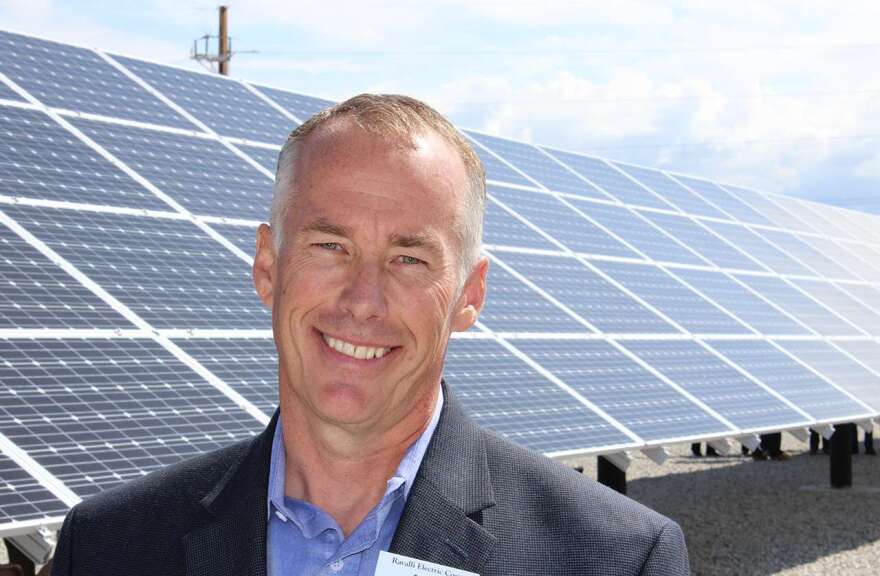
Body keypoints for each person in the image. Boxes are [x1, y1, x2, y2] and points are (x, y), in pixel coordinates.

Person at [50, 94, 690, 575]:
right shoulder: (109, 547)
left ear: (470, 295)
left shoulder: (617, 560)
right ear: (268, 268)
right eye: (331, 246)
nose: (363, 300)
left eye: (409, 259)